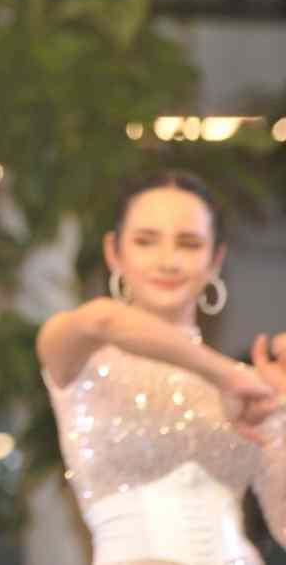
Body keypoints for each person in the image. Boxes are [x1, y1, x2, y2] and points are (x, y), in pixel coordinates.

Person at [37, 170, 286, 565]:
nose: (168, 260)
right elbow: (103, 319)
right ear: (114, 252)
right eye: (145, 241)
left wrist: (281, 413)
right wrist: (226, 374)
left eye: (189, 243)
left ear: (215, 259)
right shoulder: (78, 356)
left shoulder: (247, 389)